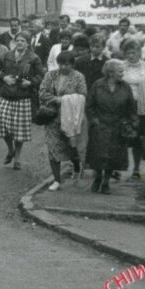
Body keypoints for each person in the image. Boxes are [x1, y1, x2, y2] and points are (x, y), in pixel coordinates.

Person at [0, 32, 45, 170]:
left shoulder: (33, 58)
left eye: (23, 41)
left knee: (19, 130)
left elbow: (42, 76)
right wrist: (3, 77)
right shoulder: (6, 56)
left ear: (28, 43)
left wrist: (31, 83)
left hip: (23, 97)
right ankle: (10, 150)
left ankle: (17, 158)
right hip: (6, 95)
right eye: (17, 40)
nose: (19, 43)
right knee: (2, 125)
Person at [85, 60, 138, 194]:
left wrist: (132, 122)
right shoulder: (97, 85)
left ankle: (106, 182)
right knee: (98, 155)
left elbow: (132, 107)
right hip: (100, 125)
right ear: (110, 72)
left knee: (113, 157)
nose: (123, 74)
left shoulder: (125, 87)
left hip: (118, 126)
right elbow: (89, 106)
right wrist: (94, 120)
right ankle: (97, 177)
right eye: (120, 71)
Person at [39, 51, 88, 190]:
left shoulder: (78, 77)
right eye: (61, 64)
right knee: (52, 148)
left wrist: (65, 100)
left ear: (72, 64)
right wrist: (55, 100)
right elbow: (42, 92)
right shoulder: (50, 75)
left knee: (72, 146)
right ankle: (57, 180)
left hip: (71, 118)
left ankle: (76, 166)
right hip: (52, 116)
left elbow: (82, 95)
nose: (63, 67)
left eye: (67, 64)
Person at [119, 39, 145, 180]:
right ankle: (117, 168)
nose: (131, 55)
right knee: (121, 140)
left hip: (142, 108)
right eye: (128, 52)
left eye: (134, 52)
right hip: (124, 109)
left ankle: (136, 170)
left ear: (139, 52)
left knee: (138, 141)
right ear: (124, 53)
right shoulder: (120, 67)